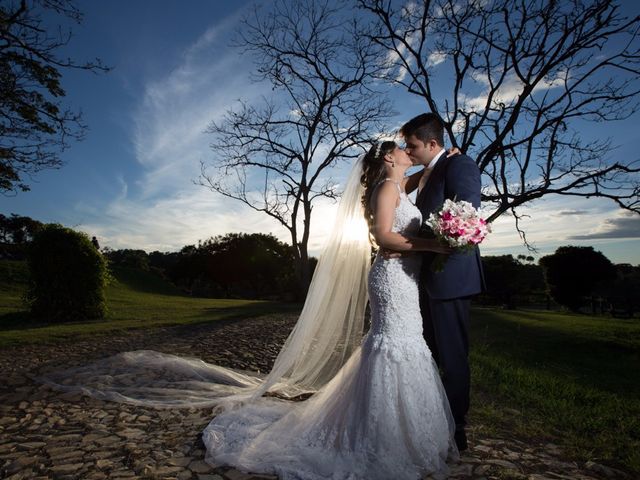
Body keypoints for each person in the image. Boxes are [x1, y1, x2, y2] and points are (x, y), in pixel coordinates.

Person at [33, 142, 462, 480]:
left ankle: (401, 434)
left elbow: (416, 183)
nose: (412, 151)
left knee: (402, 345)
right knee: (391, 346)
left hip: (404, 279)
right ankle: (376, 437)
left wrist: (440, 164)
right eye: (406, 149)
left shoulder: (397, 183)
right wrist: (433, 244)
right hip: (391, 276)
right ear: (390, 157)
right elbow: (386, 236)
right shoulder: (388, 187)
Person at [400, 113, 486, 451]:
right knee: (429, 351)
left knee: (452, 357)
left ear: (433, 144)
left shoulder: (459, 164)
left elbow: (466, 215)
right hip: (423, 275)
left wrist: (423, 243)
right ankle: (432, 418)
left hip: (450, 274)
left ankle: (456, 428)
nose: (409, 150)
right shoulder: (428, 171)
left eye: (413, 146)